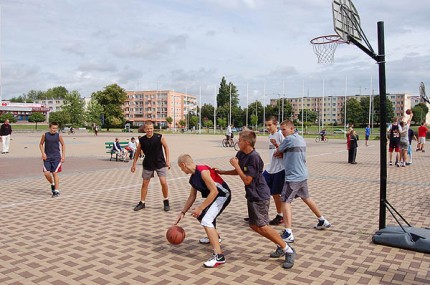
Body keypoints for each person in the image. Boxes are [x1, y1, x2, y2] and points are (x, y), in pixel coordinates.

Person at [216, 130, 296, 269]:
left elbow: (247, 179)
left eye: (240, 140)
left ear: (247, 142)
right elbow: (240, 171)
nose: (237, 142)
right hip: (252, 194)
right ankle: (280, 245)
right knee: (254, 225)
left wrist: (236, 166)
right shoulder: (241, 154)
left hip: (260, 195)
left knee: (262, 226)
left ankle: (288, 250)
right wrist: (223, 172)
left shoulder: (254, 157)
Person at [274, 120, 331, 244]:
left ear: (292, 129)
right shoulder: (300, 138)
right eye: (281, 129)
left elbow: (277, 152)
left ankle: (288, 232)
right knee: (306, 198)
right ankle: (322, 220)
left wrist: (276, 146)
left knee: (285, 201)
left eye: (284, 129)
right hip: (302, 174)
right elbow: (286, 153)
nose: (282, 132)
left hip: (293, 177)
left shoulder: (288, 140)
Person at [175, 154, 231, 268]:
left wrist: (200, 208)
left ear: (183, 164)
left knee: (206, 220)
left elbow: (214, 191)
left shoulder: (203, 172)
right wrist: (183, 212)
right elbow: (192, 196)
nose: (181, 170)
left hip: (222, 195)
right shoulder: (193, 177)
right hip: (214, 196)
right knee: (201, 216)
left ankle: (219, 257)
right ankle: (216, 237)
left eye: (181, 168)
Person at [131, 120, 171, 212]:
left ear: (153, 129)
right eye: (148, 129)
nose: (150, 130)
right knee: (145, 183)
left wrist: (167, 160)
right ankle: (142, 202)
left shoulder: (159, 137)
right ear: (145, 129)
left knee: (163, 182)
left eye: (151, 129)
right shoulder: (142, 140)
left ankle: (166, 200)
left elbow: (166, 147)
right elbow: (137, 152)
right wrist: (134, 164)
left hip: (160, 162)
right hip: (148, 163)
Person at [263, 116, 285, 226]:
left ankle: (280, 215)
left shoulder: (280, 134)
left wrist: (278, 148)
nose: (267, 127)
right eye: (266, 125)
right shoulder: (270, 135)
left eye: (270, 125)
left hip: (279, 169)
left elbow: (285, 149)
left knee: (276, 194)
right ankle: (259, 213)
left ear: (275, 125)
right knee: (259, 187)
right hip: (270, 168)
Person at [39, 122, 66, 197]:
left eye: (56, 128)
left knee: (54, 173)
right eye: (53, 128)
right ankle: (52, 183)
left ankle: (56, 191)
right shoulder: (45, 135)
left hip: (56, 157)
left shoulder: (58, 135)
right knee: (46, 173)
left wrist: (63, 156)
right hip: (47, 157)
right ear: (50, 128)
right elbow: (41, 144)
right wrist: (43, 153)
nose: (55, 130)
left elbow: (63, 144)